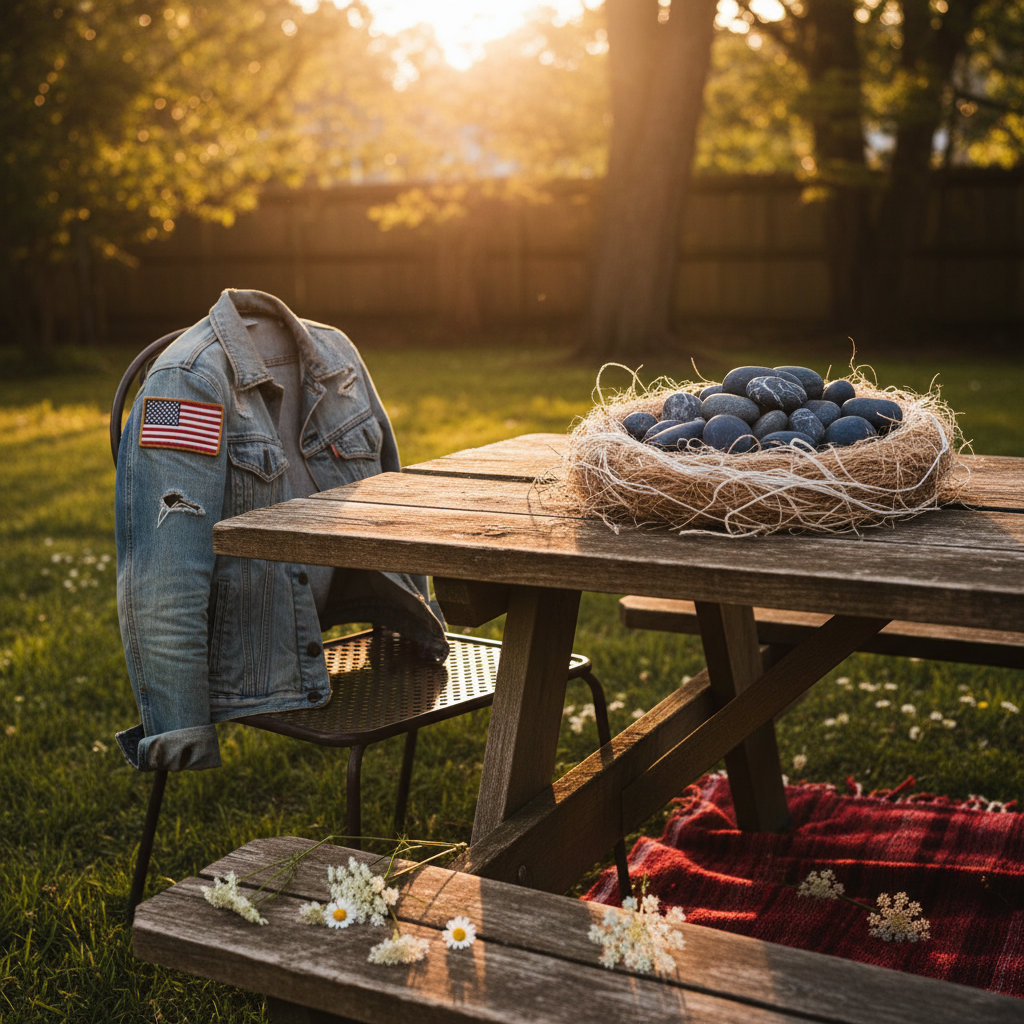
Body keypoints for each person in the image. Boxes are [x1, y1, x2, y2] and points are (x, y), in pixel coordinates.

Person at [114, 289, 448, 772]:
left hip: (351, 607)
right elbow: (163, 572)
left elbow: (389, 501)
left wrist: (418, 620)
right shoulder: (184, 386)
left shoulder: (336, 357)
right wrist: (180, 727)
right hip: (249, 658)